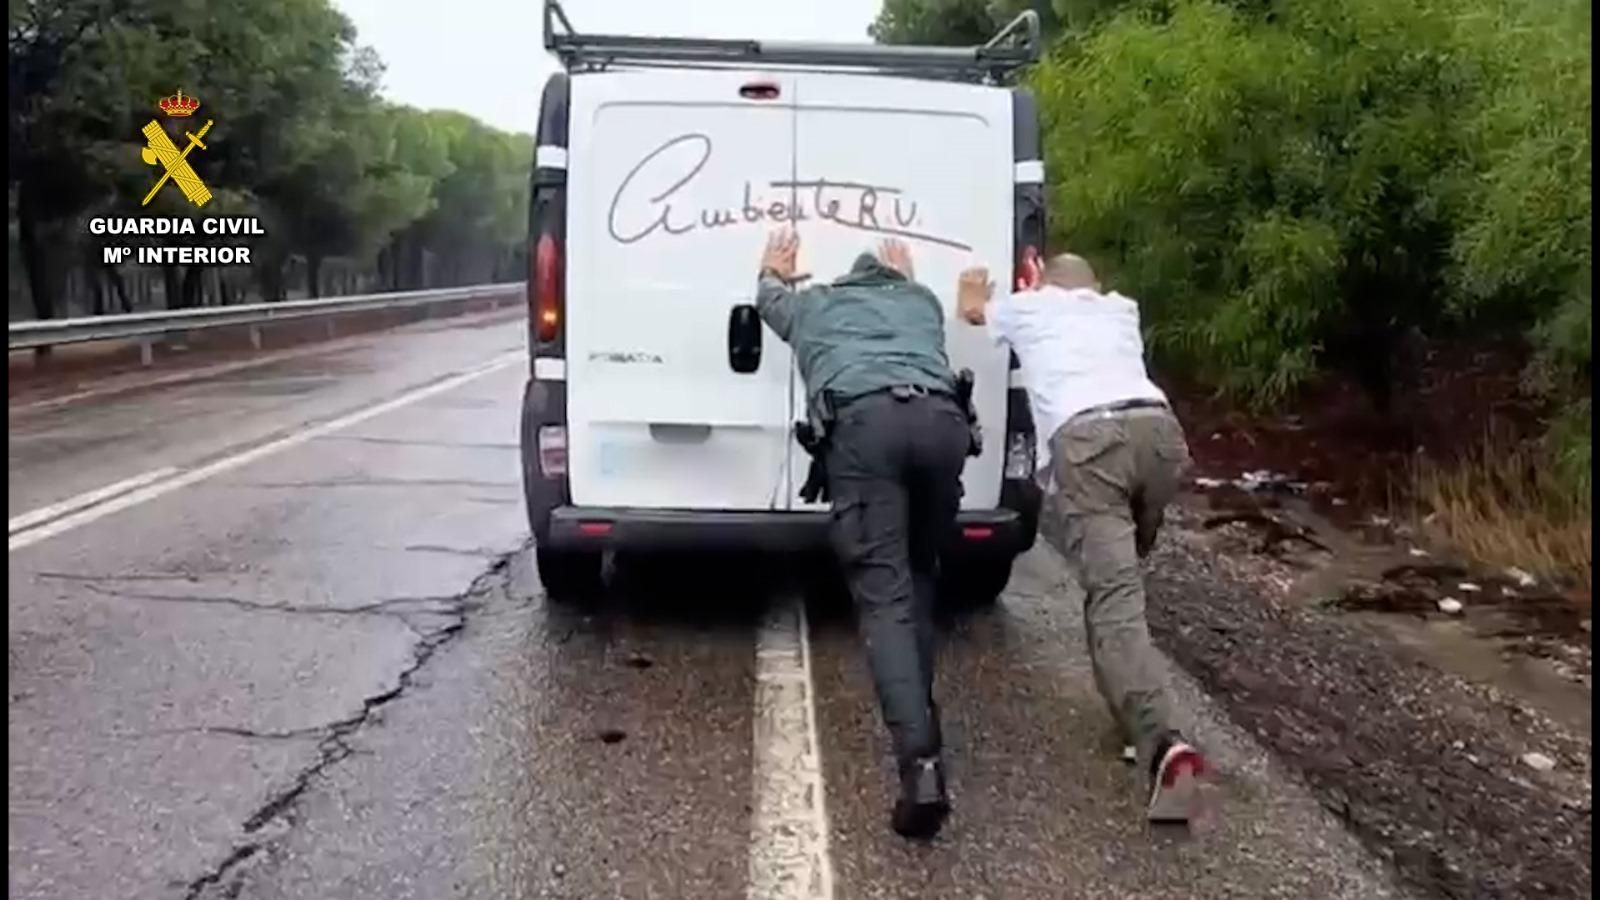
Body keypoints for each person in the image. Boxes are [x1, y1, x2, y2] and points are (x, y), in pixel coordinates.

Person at [956, 252, 1209, 824]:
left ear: (1042, 282)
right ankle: (1129, 717)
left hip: (1091, 440)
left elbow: (972, 312)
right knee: (1117, 583)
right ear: (1095, 286)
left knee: (1115, 594)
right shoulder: (1121, 309)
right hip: (1161, 436)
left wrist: (977, 288)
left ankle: (1162, 744)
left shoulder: (1028, 306)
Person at [755, 228, 971, 839]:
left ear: (847, 279)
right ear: (891, 278)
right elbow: (914, 307)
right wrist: (908, 279)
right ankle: (923, 724)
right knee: (918, 574)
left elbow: (770, 303)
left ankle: (922, 768)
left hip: (865, 426)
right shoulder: (920, 300)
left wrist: (771, 270)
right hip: (941, 423)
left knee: (885, 596)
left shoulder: (817, 303)